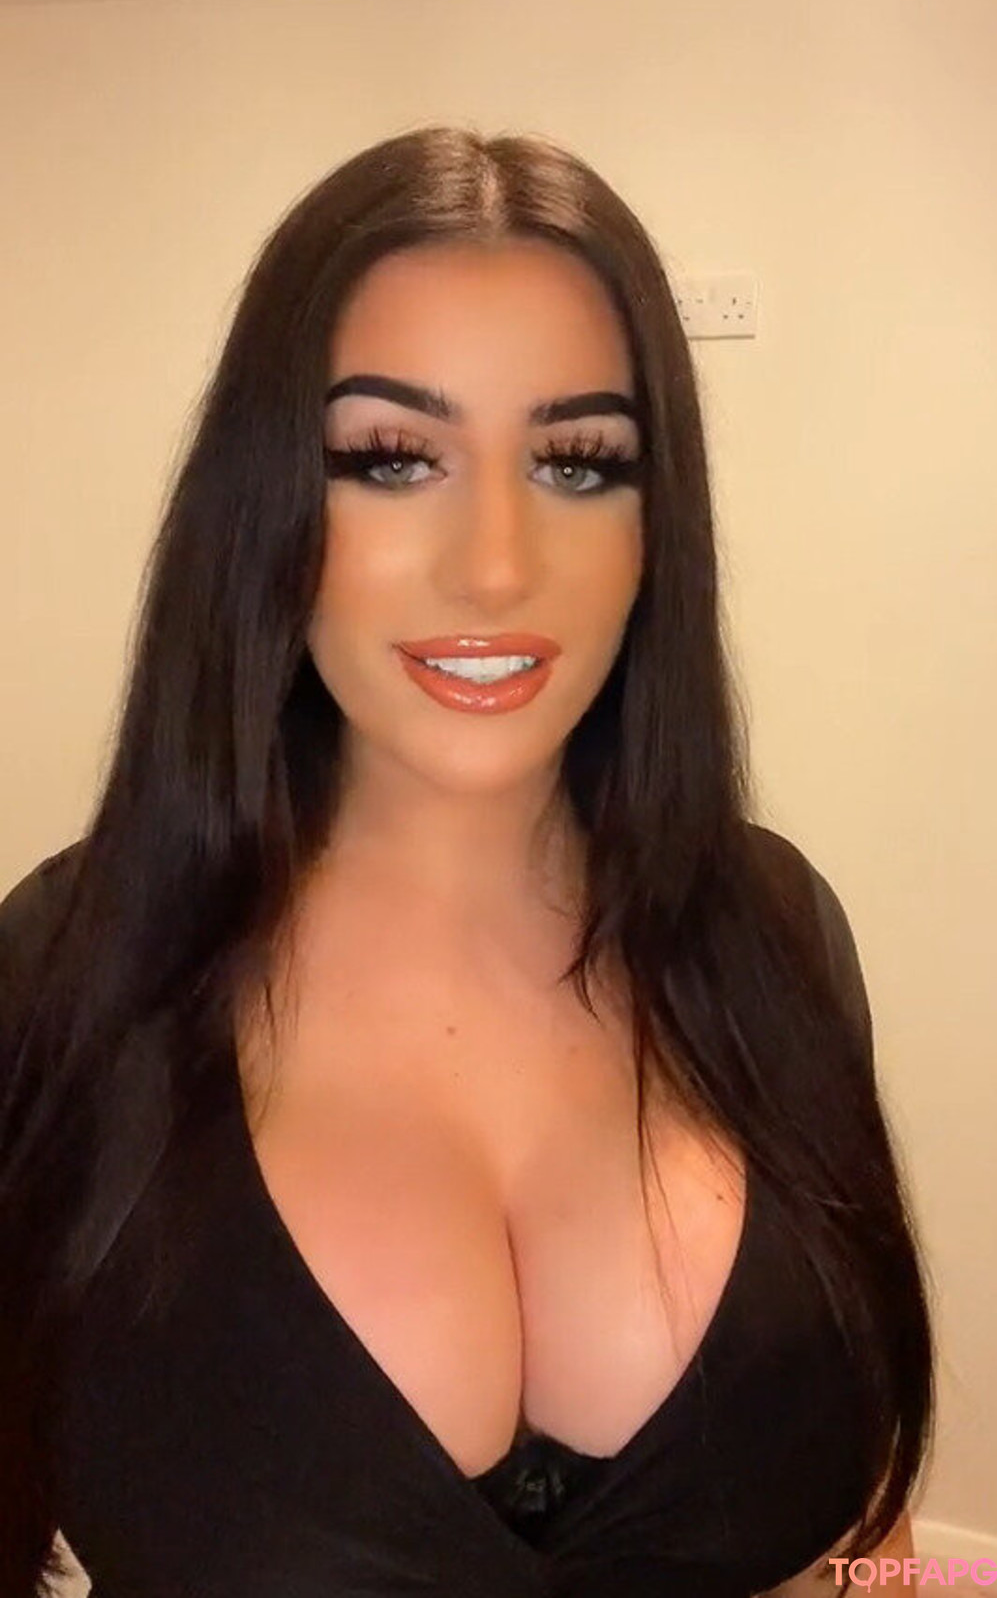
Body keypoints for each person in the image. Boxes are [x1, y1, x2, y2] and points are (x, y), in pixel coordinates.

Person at [0, 126, 934, 1598]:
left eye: (577, 461)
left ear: (656, 526)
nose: (496, 564)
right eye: (392, 458)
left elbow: (866, 1532)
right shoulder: (67, 968)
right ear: (266, 509)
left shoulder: (771, 930)